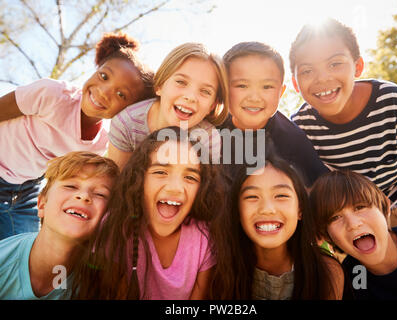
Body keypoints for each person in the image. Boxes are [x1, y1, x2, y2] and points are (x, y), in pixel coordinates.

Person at [0, 32, 154, 240]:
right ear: (97, 69)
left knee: (21, 253)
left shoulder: (100, 145)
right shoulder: (52, 95)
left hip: (24, 193)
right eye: (104, 76)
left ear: (129, 110)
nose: (103, 91)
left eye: (121, 95)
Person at [290, 18, 397, 227]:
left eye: (335, 64)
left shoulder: (391, 99)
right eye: (307, 71)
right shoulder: (300, 126)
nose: (322, 78)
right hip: (345, 215)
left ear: (358, 66)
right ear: (296, 83)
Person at [73, 127, 227, 299]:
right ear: (139, 180)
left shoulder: (204, 237)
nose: (175, 187)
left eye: (190, 177)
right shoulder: (116, 229)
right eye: (160, 172)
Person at [209, 154, 344, 300]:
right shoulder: (218, 270)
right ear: (237, 211)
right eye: (252, 197)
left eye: (281, 196)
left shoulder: (326, 271)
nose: (267, 209)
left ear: (300, 209)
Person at [0, 151, 119, 299]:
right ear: (42, 204)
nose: (84, 196)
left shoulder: (110, 282)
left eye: (100, 194)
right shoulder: (3, 260)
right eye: (70, 186)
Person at [217, 41, 328, 188]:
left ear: (280, 92)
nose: (255, 98)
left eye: (267, 87)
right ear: (224, 88)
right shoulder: (209, 129)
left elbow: (321, 189)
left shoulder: (293, 140)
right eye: (242, 86)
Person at [107, 42, 229, 170]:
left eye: (205, 91)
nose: (191, 97)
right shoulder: (127, 123)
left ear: (212, 105)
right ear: (160, 85)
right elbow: (117, 184)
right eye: (181, 82)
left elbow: (206, 187)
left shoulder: (207, 138)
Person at [310, 170, 397, 300]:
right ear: (326, 236)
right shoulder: (354, 281)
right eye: (335, 218)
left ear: (385, 207)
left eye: (360, 207)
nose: (353, 224)